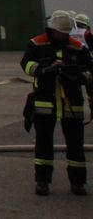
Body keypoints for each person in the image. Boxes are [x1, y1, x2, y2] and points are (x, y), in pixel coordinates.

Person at [21, 10, 93, 196]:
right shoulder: (37, 44)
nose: (62, 35)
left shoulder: (78, 47)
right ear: (51, 29)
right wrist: (43, 69)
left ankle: (78, 182)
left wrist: (79, 76)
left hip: (71, 102)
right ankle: (42, 181)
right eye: (59, 32)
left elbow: (90, 69)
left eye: (64, 32)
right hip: (45, 101)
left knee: (76, 145)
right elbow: (26, 63)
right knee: (43, 143)